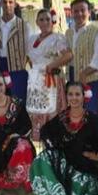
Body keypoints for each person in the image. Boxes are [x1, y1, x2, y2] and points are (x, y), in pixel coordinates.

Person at [29, 82, 98, 195]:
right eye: (70, 94)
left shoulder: (92, 120)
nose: (74, 98)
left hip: (87, 167)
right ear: (66, 96)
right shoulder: (62, 117)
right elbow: (45, 131)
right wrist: (55, 150)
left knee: (81, 188)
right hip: (66, 163)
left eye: (77, 94)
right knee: (42, 158)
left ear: (83, 97)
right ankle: (54, 190)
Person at [25, 9, 71, 140]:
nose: (45, 22)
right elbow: (29, 58)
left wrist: (52, 65)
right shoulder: (32, 39)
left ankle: (53, 139)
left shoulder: (57, 38)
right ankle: (38, 140)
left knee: (51, 110)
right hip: (35, 81)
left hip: (50, 80)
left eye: (47, 19)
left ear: (52, 22)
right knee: (36, 108)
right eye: (41, 19)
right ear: (37, 22)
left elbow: (68, 55)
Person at [65, 0, 98, 114]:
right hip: (73, 78)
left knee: (90, 114)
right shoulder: (69, 32)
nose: (79, 14)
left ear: (89, 12)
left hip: (90, 80)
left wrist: (84, 74)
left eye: (83, 10)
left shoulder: (97, 32)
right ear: (71, 13)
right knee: (75, 113)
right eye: (76, 11)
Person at [0, 0, 29, 102]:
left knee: (17, 100)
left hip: (17, 68)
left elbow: (29, 49)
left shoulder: (23, 25)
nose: (7, 5)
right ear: (0, 3)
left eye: (10, 2)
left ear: (15, 4)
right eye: (5, 2)